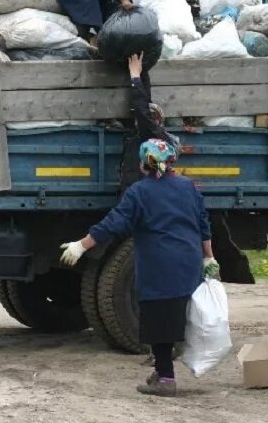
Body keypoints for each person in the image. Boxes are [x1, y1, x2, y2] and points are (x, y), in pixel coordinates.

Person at [60, 139, 218, 397]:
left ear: (144, 163)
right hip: (188, 264)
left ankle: (166, 378)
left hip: (159, 266)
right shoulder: (188, 187)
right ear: (171, 162)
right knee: (179, 314)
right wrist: (209, 259)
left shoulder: (140, 192)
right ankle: (165, 365)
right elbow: (203, 225)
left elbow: (113, 224)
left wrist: (81, 245)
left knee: (158, 322)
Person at [118, 52, 180, 195]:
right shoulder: (153, 137)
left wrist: (134, 77)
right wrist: (142, 71)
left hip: (140, 196)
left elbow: (142, 109)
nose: (138, 119)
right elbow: (145, 103)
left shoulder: (153, 136)